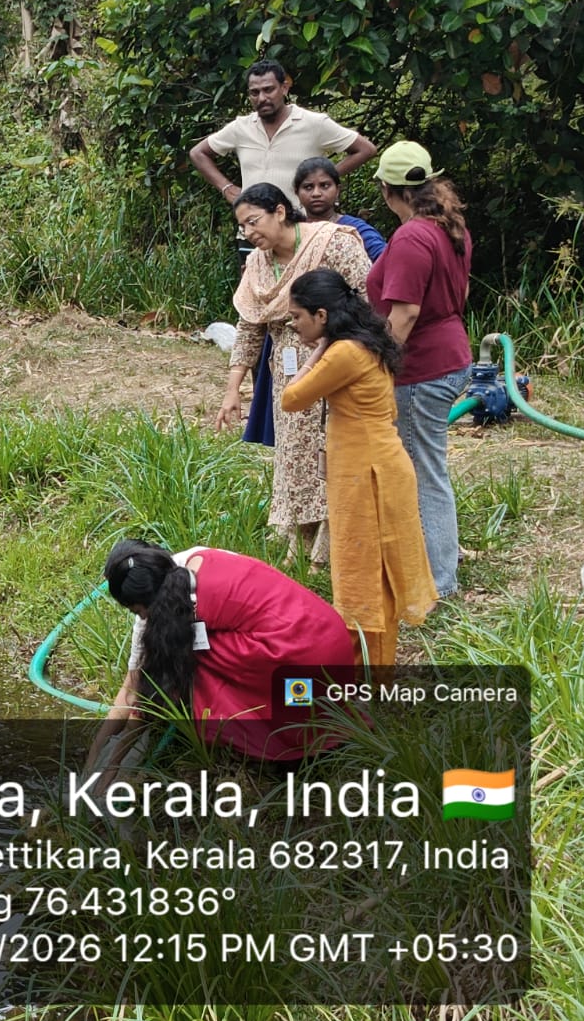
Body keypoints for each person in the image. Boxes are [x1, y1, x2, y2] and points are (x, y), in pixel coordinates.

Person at [280, 269, 438, 666]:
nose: (294, 325)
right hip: (373, 466)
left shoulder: (344, 352)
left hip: (369, 474)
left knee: (362, 573)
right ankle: (369, 668)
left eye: (298, 317)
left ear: (321, 315)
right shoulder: (362, 343)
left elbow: (292, 397)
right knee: (371, 572)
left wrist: (316, 353)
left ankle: (366, 673)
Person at [89, 540, 357, 765]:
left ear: (147, 602)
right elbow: (133, 686)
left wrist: (107, 767)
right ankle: (323, 718)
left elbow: (139, 691)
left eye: (138, 611)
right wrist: (94, 759)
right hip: (335, 645)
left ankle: (276, 734)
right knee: (183, 647)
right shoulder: (191, 560)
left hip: (302, 664)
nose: (141, 618)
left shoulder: (182, 609)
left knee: (186, 658)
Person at [214, 184, 370, 563]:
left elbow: (368, 298)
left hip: (338, 360)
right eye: (243, 228)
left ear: (280, 212)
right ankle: (300, 535)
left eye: (254, 222)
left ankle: (330, 544)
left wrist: (337, 345)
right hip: (285, 366)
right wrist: (233, 389)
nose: (250, 234)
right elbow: (250, 326)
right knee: (293, 452)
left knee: (330, 447)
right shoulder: (258, 264)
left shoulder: (332, 244)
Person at [366, 142, 473, 597]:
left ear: (389, 191)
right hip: (451, 353)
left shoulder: (411, 236)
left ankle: (437, 584)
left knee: (424, 475)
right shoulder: (450, 228)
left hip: (422, 368)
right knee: (427, 469)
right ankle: (429, 570)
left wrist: (376, 364)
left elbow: (405, 313)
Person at [190, 60, 377, 211]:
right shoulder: (241, 127)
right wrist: (227, 188)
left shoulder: (313, 123)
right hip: (253, 232)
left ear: (284, 88)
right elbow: (198, 153)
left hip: (300, 228)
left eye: (268, 89)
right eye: (254, 93)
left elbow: (365, 149)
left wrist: (323, 180)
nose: (262, 98)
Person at [293, 157, 386, 262]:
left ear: (337, 190)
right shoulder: (291, 231)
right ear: (297, 193)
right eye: (308, 187)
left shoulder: (355, 229)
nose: (316, 193)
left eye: (324, 186)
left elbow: (387, 260)